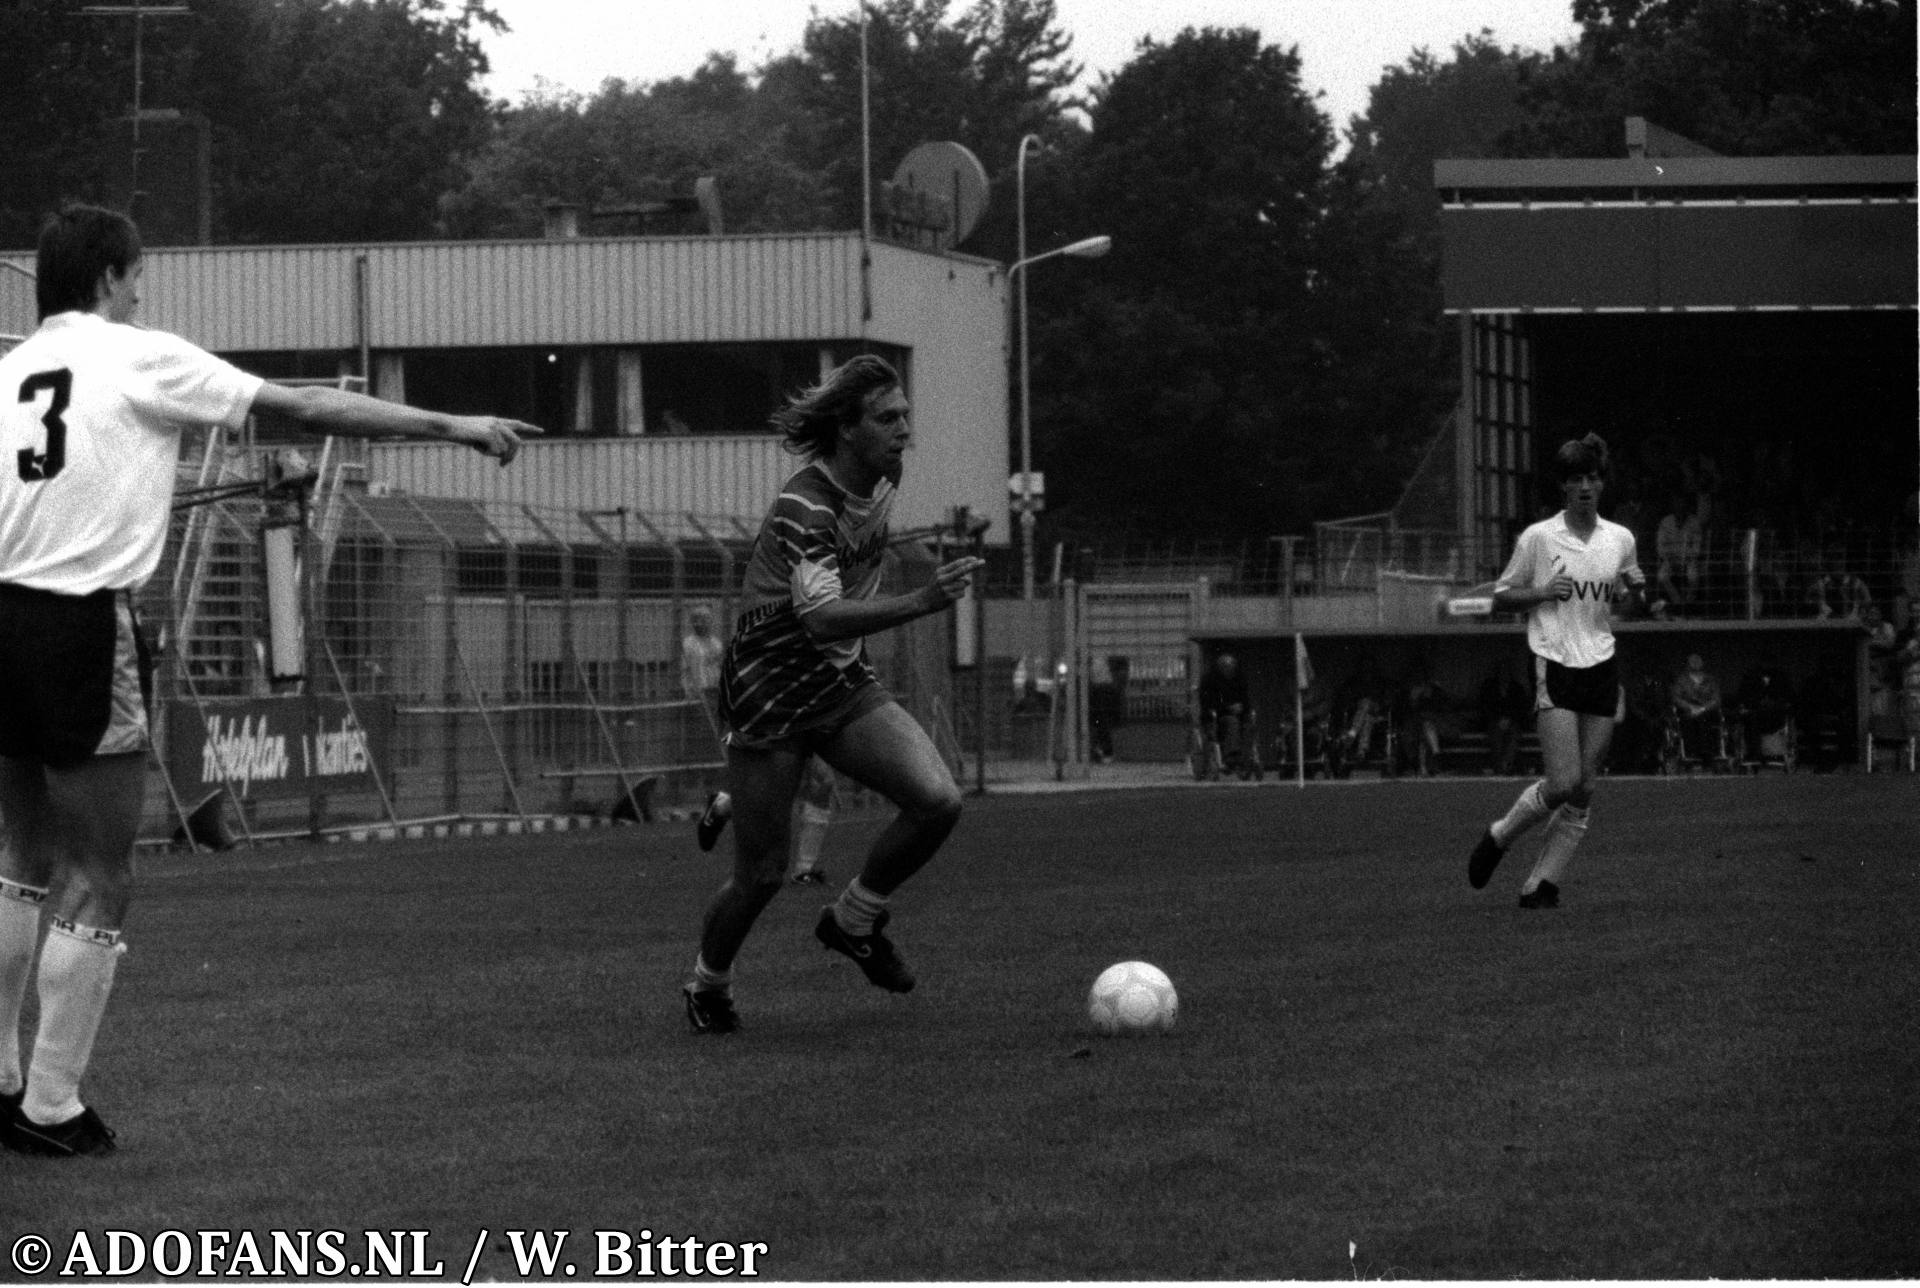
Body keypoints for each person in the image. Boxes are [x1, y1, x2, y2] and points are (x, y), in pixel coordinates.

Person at [0, 204, 537, 1156]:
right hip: (80, 624)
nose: (142, 293)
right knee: (101, 874)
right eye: (135, 276)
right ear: (107, 278)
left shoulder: (8, 376)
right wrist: (449, 421)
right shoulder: (138, 356)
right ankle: (51, 1107)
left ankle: (1, 1079)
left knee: (16, 861)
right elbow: (307, 407)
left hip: (0, 614)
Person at [681, 355, 983, 1035]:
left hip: (838, 678)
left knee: (937, 801)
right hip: (769, 688)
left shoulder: (884, 475)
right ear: (847, 430)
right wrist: (923, 599)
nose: (905, 429)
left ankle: (852, 919)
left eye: (905, 414)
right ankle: (707, 983)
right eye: (887, 418)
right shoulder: (804, 506)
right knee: (762, 873)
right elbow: (818, 616)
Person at [1467, 432, 1647, 909]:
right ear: (1563, 488)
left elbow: (1625, 597)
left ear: (1601, 484)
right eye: (1576, 480)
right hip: (1555, 659)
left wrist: (1633, 596)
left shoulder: (1620, 539)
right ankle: (1500, 835)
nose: (1585, 486)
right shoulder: (1540, 537)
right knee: (1562, 782)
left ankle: (1541, 885)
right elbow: (1502, 596)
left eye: (1592, 477)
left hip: (1602, 661)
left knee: (1586, 786)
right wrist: (1544, 591)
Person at [1196, 652, 1250, 775]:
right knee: (1232, 722)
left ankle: (1244, 758)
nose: (1229, 669)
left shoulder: (1239, 680)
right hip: (1215, 717)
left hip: (1237, 716)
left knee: (1248, 726)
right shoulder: (1209, 681)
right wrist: (1228, 708)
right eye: (1226, 667)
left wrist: (1242, 707)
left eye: (1231, 667)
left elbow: (1246, 700)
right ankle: (1231, 756)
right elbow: (1207, 702)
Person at [1668, 652, 1725, 767]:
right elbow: (1676, 698)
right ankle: (1691, 753)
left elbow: (1716, 699)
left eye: (1698, 661)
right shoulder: (1681, 680)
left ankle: (1707, 753)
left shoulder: (1710, 680)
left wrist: (1703, 708)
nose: (1695, 664)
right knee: (1690, 721)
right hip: (1688, 712)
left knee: (1705, 720)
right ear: (1688, 664)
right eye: (1692, 662)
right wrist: (1690, 707)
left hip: (1707, 712)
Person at [1477, 663, 1532, 776]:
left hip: (1512, 721)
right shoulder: (1489, 687)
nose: (1504, 674)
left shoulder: (1517, 688)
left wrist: (1509, 719)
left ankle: (1505, 765)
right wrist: (1498, 719)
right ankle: (1500, 766)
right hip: (1494, 721)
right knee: (1496, 735)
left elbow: (1521, 707)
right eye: (1502, 672)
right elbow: (1485, 706)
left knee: (1513, 735)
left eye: (1507, 672)